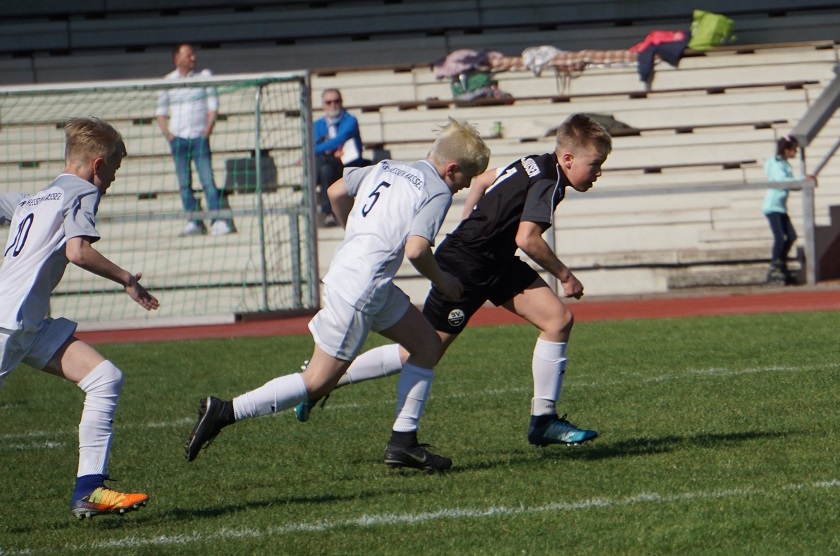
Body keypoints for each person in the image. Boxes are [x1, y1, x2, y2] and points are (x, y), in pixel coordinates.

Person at [184, 118, 490, 473]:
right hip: (362, 287)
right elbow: (417, 249)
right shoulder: (437, 190)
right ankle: (225, 411)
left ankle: (403, 443)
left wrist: (357, 233)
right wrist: (443, 281)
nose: (465, 186)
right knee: (317, 381)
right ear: (451, 169)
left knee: (427, 346)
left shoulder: (386, 167)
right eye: (466, 178)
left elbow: (335, 191)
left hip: (356, 274)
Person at [295, 113, 610, 449]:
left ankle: (544, 420)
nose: (598, 172)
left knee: (558, 320)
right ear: (568, 158)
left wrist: (468, 220)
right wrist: (566, 276)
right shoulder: (549, 181)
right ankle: (325, 380)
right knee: (420, 351)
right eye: (594, 164)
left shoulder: (534, 162)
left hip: (495, 261)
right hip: (466, 266)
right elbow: (527, 238)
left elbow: (482, 180)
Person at [0, 117, 160, 519]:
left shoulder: (34, 198)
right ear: (98, 165)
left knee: (105, 377)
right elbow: (78, 251)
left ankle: (90, 489)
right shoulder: (84, 191)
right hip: (9, 323)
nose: (112, 180)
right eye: (114, 170)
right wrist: (126, 279)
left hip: (27, 326)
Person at [156, 43, 236, 237]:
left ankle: (217, 220)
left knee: (208, 180)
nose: (193, 58)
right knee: (184, 183)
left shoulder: (204, 76)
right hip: (178, 139)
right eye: (188, 55)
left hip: (199, 137)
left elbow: (213, 106)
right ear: (177, 59)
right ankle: (194, 222)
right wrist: (169, 135)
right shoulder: (168, 81)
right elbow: (160, 112)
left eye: (193, 54)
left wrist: (207, 130)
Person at [761, 135, 815, 286]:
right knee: (780, 237)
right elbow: (781, 180)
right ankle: (775, 266)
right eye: (793, 149)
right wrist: (802, 179)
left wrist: (802, 182)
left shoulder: (785, 164)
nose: (795, 152)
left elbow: (791, 185)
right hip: (773, 206)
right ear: (786, 150)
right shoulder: (776, 163)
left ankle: (781, 263)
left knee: (791, 236)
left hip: (780, 207)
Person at [314, 88, 366, 227]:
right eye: (329, 102)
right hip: (329, 167)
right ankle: (328, 213)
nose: (333, 105)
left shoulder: (350, 121)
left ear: (342, 102)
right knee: (325, 168)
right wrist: (330, 153)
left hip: (348, 165)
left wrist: (319, 150)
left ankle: (313, 187)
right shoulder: (317, 125)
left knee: (319, 160)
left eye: (336, 101)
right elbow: (315, 144)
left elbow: (339, 139)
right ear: (323, 105)